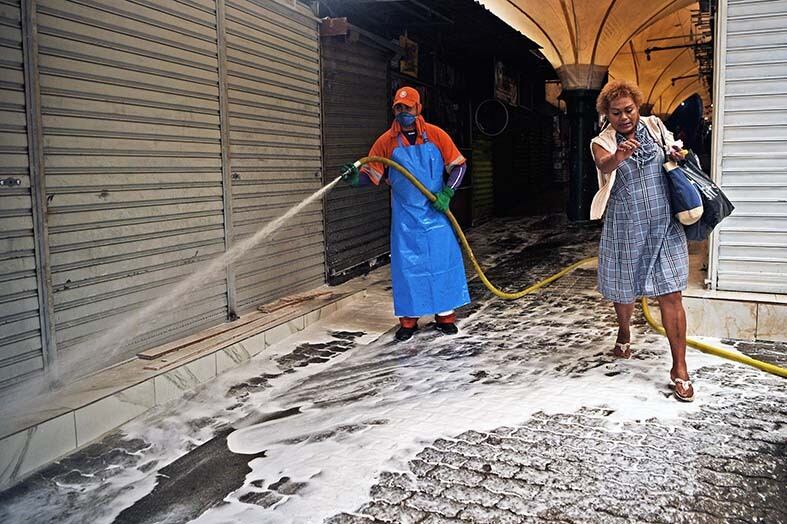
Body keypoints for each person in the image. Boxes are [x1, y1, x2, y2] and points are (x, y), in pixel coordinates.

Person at [589, 80, 694, 402]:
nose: (624, 117)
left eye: (629, 110)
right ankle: (624, 330)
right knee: (625, 289)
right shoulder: (601, 141)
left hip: (664, 223)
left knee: (671, 294)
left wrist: (678, 152)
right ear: (607, 114)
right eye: (616, 113)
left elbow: (676, 152)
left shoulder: (655, 126)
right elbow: (603, 164)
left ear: (638, 106)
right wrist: (619, 155)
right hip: (626, 225)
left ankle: (680, 368)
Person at [340, 86, 470, 342]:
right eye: (398, 108)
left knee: (441, 264)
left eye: (407, 108)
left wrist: (447, 193)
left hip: (436, 213)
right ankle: (408, 321)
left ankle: (444, 316)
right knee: (408, 269)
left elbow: (459, 166)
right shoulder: (385, 142)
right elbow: (373, 174)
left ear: (418, 108)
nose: (403, 112)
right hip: (405, 219)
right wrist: (356, 180)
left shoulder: (436, 135)